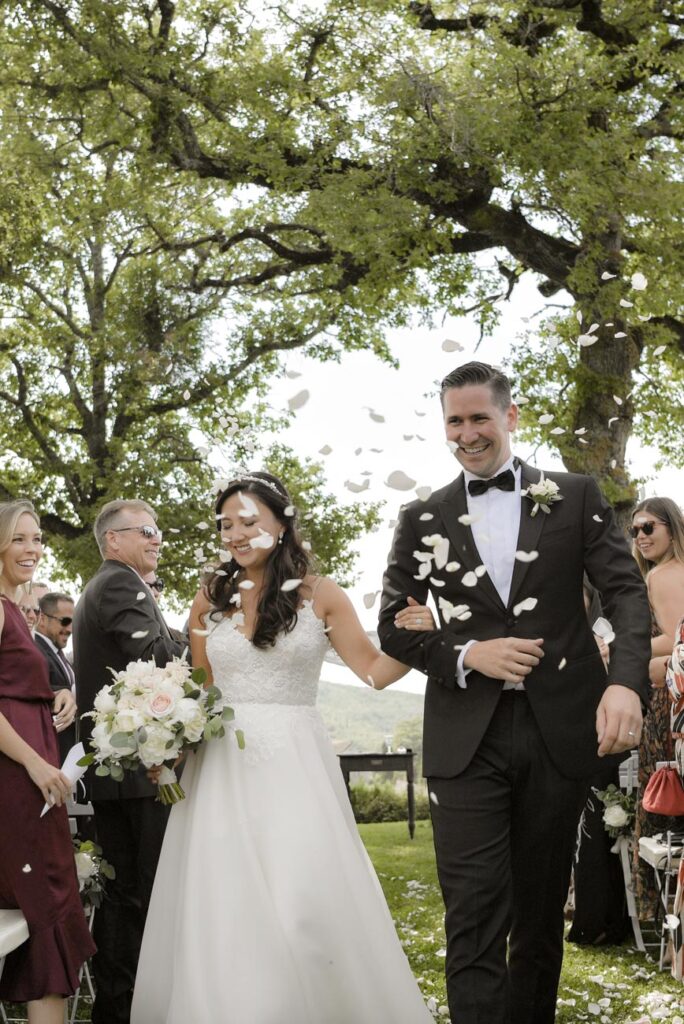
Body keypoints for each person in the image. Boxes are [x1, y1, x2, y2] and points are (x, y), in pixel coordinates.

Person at [377, 361, 651, 1024]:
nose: (467, 433)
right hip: (463, 738)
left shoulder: (576, 495)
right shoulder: (421, 517)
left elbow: (625, 593)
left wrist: (624, 686)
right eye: (455, 421)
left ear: (510, 417)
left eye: (479, 418)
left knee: (537, 915)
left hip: (559, 733)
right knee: (471, 910)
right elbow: (393, 622)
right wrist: (470, 652)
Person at [131, 471, 435, 1024]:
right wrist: (166, 744)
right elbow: (199, 691)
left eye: (249, 521)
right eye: (226, 524)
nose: (235, 533)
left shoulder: (323, 596)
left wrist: (419, 639)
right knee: (222, 898)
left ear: (281, 522)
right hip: (220, 769)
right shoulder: (208, 599)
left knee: (303, 898)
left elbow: (372, 671)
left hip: (295, 765)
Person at [72, 499, 185, 1024]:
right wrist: (203, 637)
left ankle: (121, 1008)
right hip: (136, 769)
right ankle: (125, 1009)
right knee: (139, 896)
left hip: (124, 771)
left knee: (128, 897)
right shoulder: (118, 584)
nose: (157, 538)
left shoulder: (114, 584)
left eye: (157, 529)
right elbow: (158, 658)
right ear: (113, 541)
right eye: (146, 530)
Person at [0, 500, 95, 1023]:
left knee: (46, 910)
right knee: (43, 902)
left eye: (36, 539)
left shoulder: (18, 608)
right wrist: (34, 764)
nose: (32, 549)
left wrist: (60, 695)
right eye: (19, 539)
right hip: (16, 779)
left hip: (38, 774)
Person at [630, 497, 684, 919]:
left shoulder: (663, 575)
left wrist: (621, 652)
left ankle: (667, 921)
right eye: (635, 530)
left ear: (672, 527)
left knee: (664, 802)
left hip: (671, 705)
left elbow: (674, 640)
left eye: (649, 527)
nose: (641, 537)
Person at [34, 591, 77, 762]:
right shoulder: (35, 653)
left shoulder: (59, 655)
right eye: (65, 621)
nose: (70, 629)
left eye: (73, 622)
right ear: (43, 619)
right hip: (48, 755)